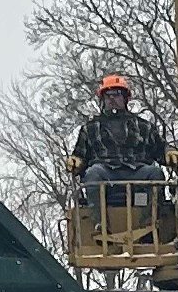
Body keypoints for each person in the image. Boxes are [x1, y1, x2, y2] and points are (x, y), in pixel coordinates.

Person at [71, 74, 170, 211]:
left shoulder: (144, 126)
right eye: (108, 95)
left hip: (138, 172)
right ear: (102, 99)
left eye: (116, 94)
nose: (112, 98)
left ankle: (152, 222)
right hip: (105, 173)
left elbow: (160, 149)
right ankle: (99, 225)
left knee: (155, 173)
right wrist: (76, 161)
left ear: (125, 98)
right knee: (92, 174)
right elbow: (80, 156)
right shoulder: (90, 128)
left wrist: (169, 152)